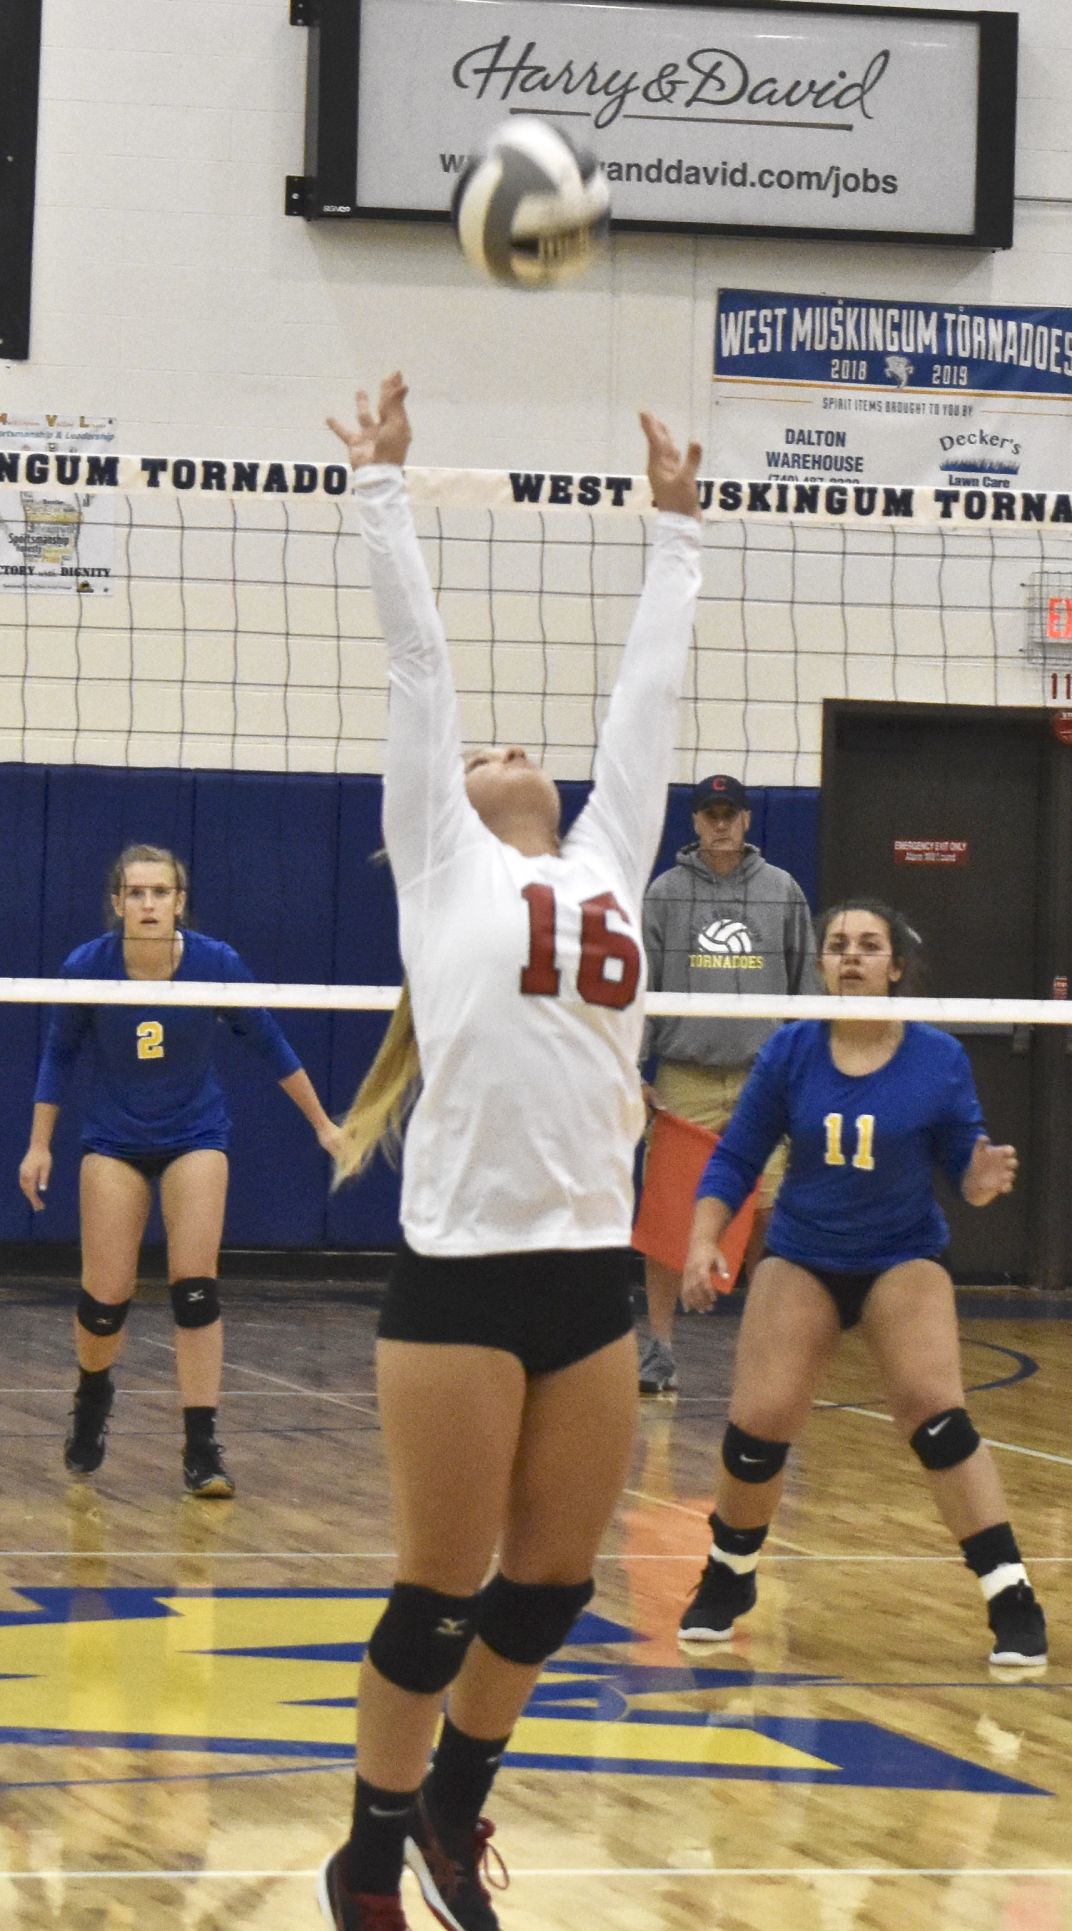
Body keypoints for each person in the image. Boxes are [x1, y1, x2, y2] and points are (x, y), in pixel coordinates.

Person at [317, 374, 702, 1931]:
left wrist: (676, 530)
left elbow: (647, 706)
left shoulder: (612, 853)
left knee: (551, 1587)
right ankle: (364, 1845)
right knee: (441, 1589)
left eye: (518, 749)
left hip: (587, 1274)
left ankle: (453, 1812)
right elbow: (423, 668)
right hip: (465, 1277)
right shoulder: (444, 858)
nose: (511, 744)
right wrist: (382, 493)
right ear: (452, 804)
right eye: (487, 751)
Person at [676, 897, 1046, 1669]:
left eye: (868, 945)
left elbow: (966, 1171)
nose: (851, 955)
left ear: (895, 967)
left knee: (936, 1415)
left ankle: (1010, 1593)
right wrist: (705, 1236)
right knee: (759, 1422)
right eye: (838, 943)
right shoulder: (791, 1051)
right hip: (805, 1253)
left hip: (900, 1255)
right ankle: (729, 1572)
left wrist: (980, 1177)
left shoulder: (938, 1057)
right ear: (820, 965)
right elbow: (737, 1155)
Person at [18, 844, 342, 1498]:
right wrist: (39, 1144)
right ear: (117, 903)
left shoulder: (215, 963)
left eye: (159, 892)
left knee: (195, 1290)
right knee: (104, 1301)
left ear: (179, 900)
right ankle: (93, 1395)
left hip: (195, 1134)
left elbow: (270, 1041)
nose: (147, 904)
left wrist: (323, 1123)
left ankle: (201, 1446)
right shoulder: (88, 967)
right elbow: (58, 1057)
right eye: (135, 893)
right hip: (113, 1142)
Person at [636, 772, 815, 1394]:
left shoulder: (781, 891)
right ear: (694, 822)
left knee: (769, 1212)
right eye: (709, 813)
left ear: (745, 820)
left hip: (762, 1078)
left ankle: (768, 1348)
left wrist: (807, 1070)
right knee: (668, 1217)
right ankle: (658, 1349)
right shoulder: (664, 894)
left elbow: (806, 991)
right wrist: (633, 1070)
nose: (719, 823)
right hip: (684, 1074)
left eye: (729, 813)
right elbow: (640, 992)